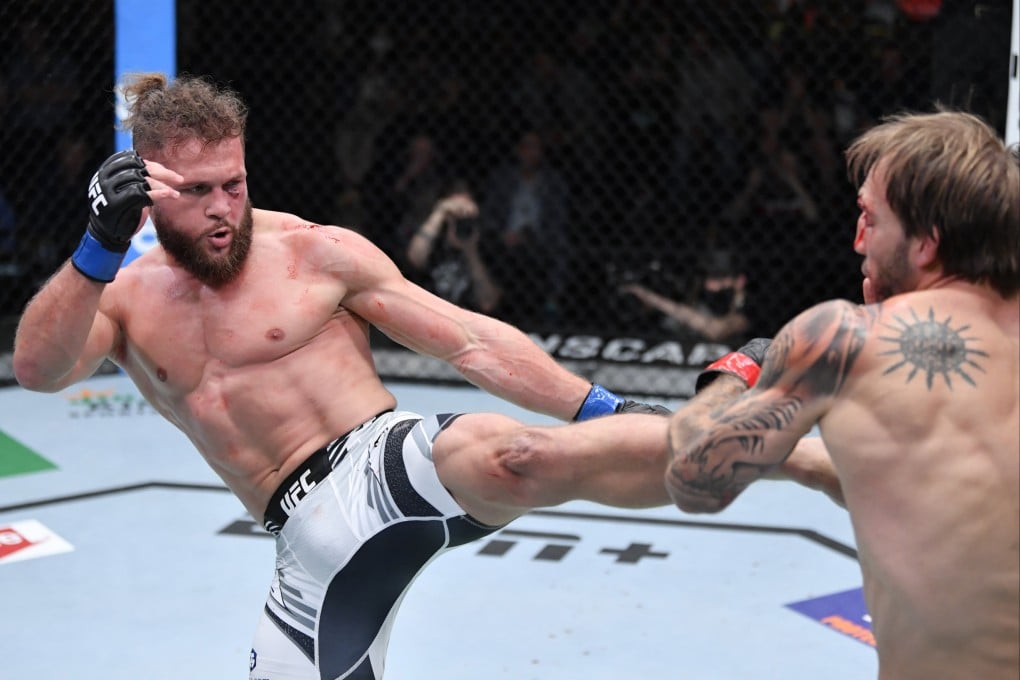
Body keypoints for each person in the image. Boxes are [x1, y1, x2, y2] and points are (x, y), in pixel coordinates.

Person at [11, 72, 681, 680]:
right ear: (149, 194)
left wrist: (601, 410)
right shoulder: (123, 298)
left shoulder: (314, 252)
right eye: (197, 190)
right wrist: (97, 246)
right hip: (306, 539)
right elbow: (38, 370)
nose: (223, 208)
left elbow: (470, 341)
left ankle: (724, 443)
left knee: (518, 456)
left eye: (234, 184)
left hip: (386, 457)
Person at [665, 109, 1019, 678]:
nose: (857, 240)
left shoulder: (846, 337)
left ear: (927, 242)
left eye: (869, 219)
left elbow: (695, 480)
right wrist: (816, 465)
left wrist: (734, 375)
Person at [619, 248, 754, 346]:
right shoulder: (703, 297)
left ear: (740, 281)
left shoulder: (751, 305)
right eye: (707, 278)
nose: (709, 286)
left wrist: (651, 298)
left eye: (718, 279)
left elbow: (716, 330)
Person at [405, 185, 502, 314]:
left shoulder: (485, 243)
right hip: (426, 311)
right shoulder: (434, 238)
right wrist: (439, 213)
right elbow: (414, 258)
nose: (461, 218)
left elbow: (488, 302)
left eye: (466, 213)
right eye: (456, 213)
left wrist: (471, 251)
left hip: (466, 319)